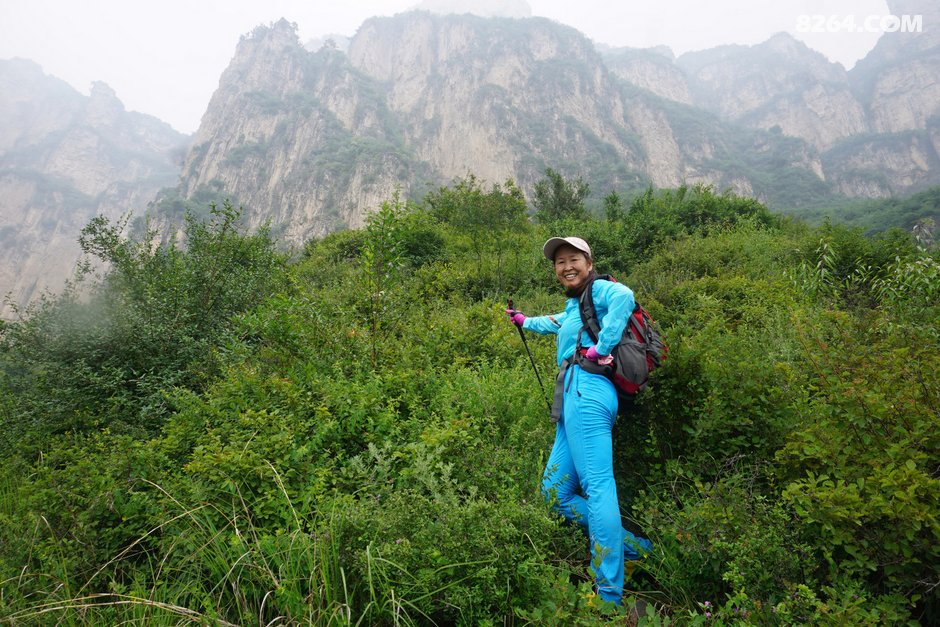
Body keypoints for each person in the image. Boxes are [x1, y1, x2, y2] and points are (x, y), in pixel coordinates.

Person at [506, 236, 652, 605]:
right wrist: (523, 320)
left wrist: (602, 347)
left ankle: (608, 595)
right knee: (554, 494)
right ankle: (637, 548)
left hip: (588, 392)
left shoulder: (601, 289)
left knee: (599, 487)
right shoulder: (575, 307)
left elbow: (625, 297)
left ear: (589, 262)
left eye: (573, 259)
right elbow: (553, 322)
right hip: (570, 397)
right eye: (559, 262)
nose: (566, 266)